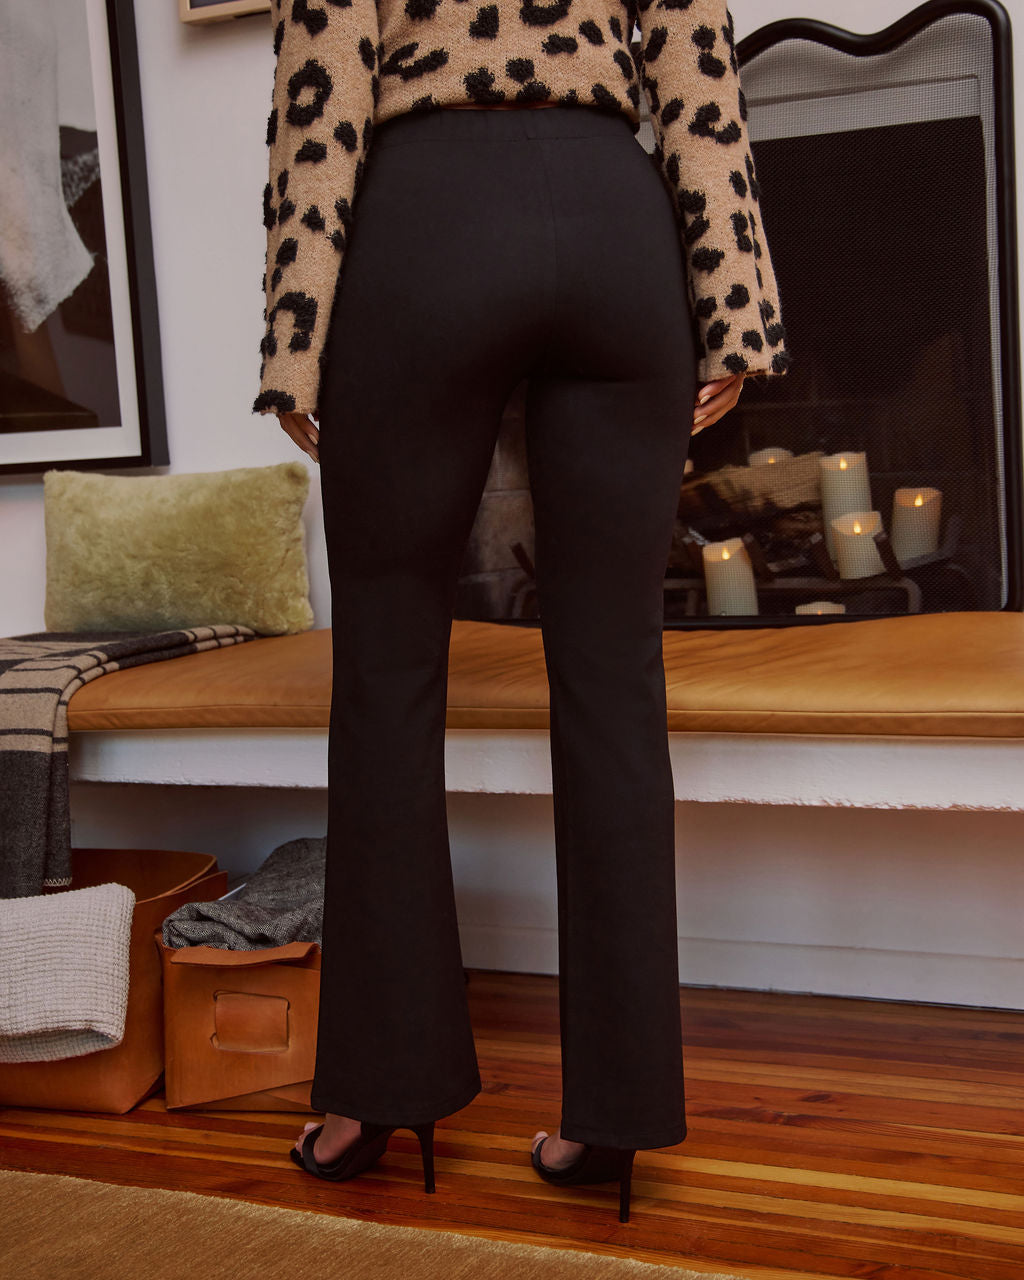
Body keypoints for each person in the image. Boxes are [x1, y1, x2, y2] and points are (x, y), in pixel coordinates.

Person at [253, 0, 791, 1223]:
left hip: (425, 223)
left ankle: (380, 1089)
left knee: (387, 668)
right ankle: (617, 1112)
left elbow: (319, 91)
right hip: (613, 219)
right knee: (614, 675)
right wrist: (732, 304)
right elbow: (696, 68)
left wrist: (296, 336)